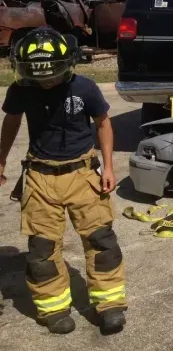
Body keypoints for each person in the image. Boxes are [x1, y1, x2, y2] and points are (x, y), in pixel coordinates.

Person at [0, 27, 127, 335]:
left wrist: (108, 167)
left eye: (53, 75)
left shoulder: (85, 88)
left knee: (101, 241)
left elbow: (103, 123)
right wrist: (1, 160)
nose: (47, 82)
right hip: (41, 177)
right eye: (39, 76)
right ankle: (53, 308)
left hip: (83, 173)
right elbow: (12, 121)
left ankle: (109, 304)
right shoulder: (21, 90)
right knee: (41, 250)